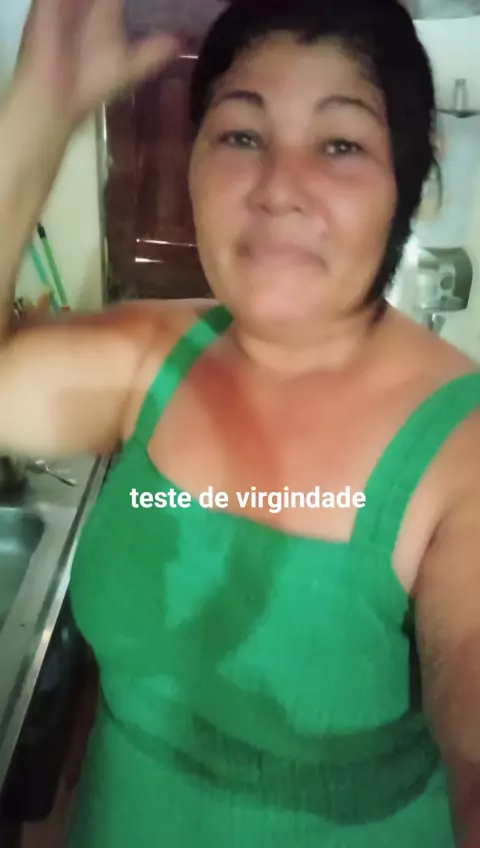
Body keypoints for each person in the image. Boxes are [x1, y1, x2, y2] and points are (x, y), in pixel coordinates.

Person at [1, 0, 480, 844]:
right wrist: (38, 109)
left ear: (411, 178)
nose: (279, 188)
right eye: (241, 135)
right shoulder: (151, 357)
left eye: (341, 144)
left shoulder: (462, 449)